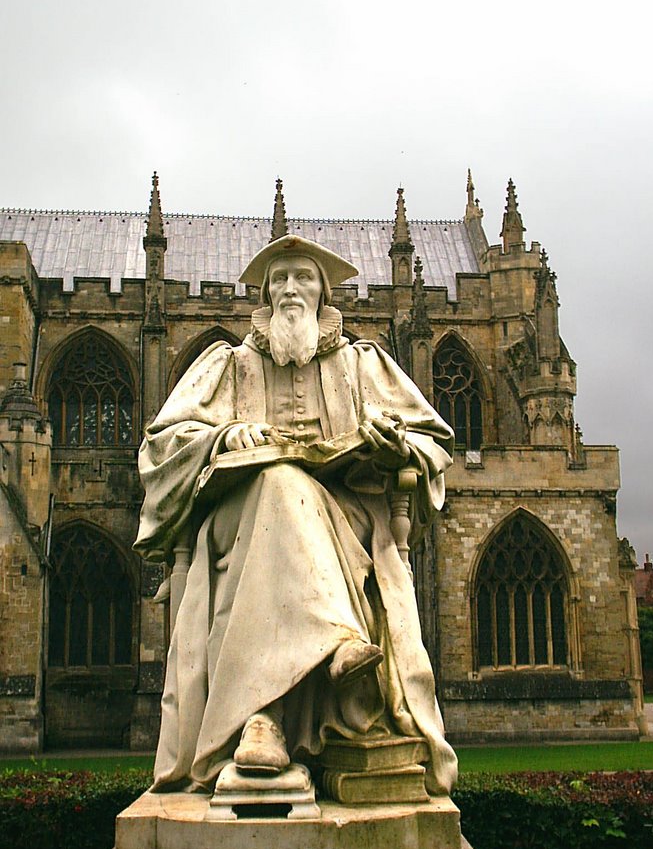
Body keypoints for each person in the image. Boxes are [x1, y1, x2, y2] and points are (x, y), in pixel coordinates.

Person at [134, 234, 458, 796]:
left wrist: (394, 444)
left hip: (348, 524)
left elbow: (434, 442)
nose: (290, 289)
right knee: (281, 482)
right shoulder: (229, 366)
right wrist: (224, 437)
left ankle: (265, 722)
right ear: (263, 297)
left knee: (293, 488)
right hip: (240, 522)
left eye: (302, 278)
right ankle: (335, 649)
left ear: (322, 294)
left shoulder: (362, 365)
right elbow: (162, 446)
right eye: (278, 279)